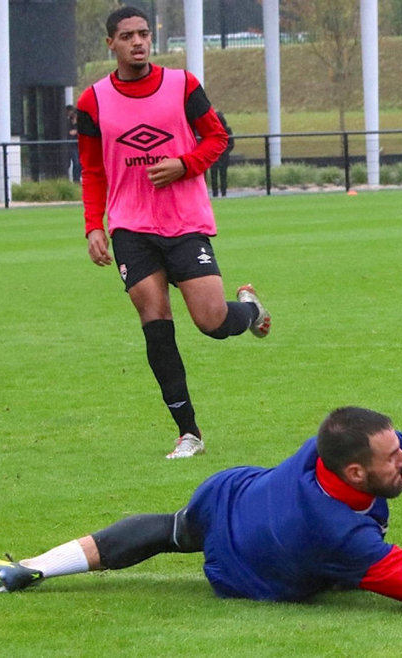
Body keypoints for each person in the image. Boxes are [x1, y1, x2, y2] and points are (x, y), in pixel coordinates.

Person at [0, 406, 402, 610]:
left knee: (170, 531)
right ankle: (36, 570)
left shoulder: (352, 450)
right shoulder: (337, 531)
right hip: (241, 569)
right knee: (180, 539)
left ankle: (32, 569)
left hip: (228, 492)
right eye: (392, 461)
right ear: (353, 471)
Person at [75, 6, 273, 459]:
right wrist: (93, 226)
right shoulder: (93, 101)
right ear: (111, 44)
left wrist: (184, 164)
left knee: (211, 322)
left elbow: (217, 139)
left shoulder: (182, 85)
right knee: (155, 324)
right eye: (127, 36)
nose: (138, 42)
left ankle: (249, 311)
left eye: (144, 34)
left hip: (183, 223)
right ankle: (189, 434)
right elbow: (91, 169)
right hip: (130, 227)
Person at [210, 111, 234, 198]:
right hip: (214, 156)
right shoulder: (212, 129)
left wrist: (224, 151)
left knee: (222, 174)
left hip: (222, 155)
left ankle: (222, 193)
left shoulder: (227, 130)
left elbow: (231, 144)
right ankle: (216, 193)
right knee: (215, 174)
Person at [65, 104, 81, 182]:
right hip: (72, 145)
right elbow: (68, 132)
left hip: (79, 144)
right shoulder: (68, 122)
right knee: (76, 162)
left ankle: (77, 178)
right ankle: (76, 180)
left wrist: (77, 131)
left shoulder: (80, 121)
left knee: (80, 163)